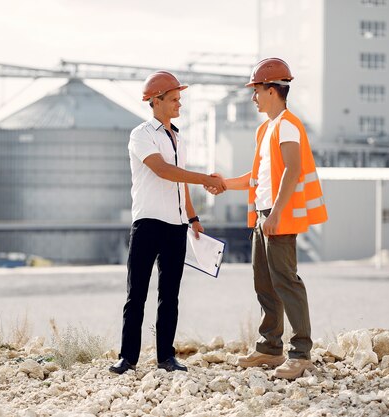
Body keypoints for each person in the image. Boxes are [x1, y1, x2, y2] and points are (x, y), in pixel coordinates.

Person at [206, 58, 328, 379]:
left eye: (256, 90)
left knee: (287, 281)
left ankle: (300, 353)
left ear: (272, 90)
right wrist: (224, 184)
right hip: (264, 215)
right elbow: (258, 176)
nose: (253, 97)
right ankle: (270, 348)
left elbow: (293, 168)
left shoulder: (287, 124)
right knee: (264, 282)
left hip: (277, 216)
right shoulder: (267, 128)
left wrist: (275, 213)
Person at [109, 70, 226, 374]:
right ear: (155, 100)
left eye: (179, 99)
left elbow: (180, 185)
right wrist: (205, 179)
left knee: (170, 296)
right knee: (136, 295)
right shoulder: (141, 135)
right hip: (148, 225)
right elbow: (163, 171)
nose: (179, 105)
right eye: (174, 99)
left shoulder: (179, 138)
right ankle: (128, 359)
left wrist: (194, 217)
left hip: (177, 227)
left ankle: (166, 358)